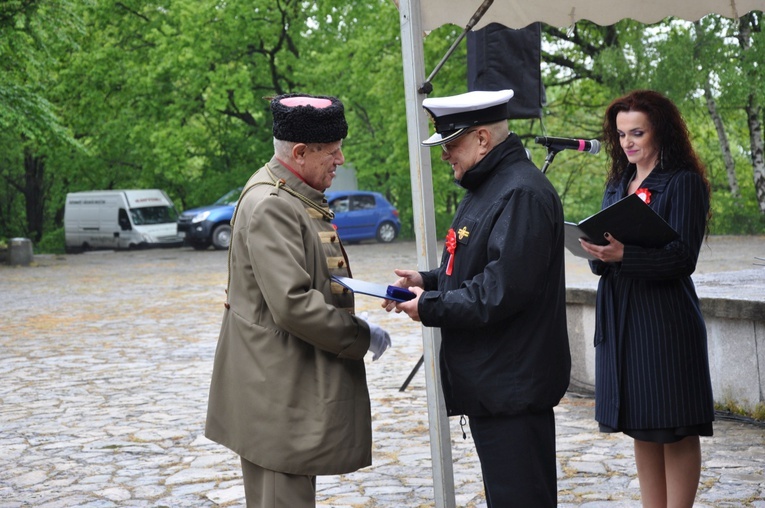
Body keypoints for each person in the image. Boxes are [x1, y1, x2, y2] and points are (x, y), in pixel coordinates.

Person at [384, 89, 571, 507]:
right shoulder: (489, 185)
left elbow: (499, 291)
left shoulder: (519, 192)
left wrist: (428, 307)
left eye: (451, 143)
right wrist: (427, 280)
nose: (446, 154)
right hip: (497, 384)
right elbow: (476, 266)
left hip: (513, 385)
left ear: (482, 139)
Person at [205, 93, 391, 508]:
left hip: (281, 384)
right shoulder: (272, 205)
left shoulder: (290, 193)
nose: (340, 159)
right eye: (333, 150)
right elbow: (292, 303)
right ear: (301, 152)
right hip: (274, 393)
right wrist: (360, 335)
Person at [578, 89, 714, 507]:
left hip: (664, 319)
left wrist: (624, 254)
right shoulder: (619, 184)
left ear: (661, 132)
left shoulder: (682, 183)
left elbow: (682, 257)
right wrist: (596, 252)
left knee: (674, 426)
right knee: (642, 424)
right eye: (621, 135)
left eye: (637, 132)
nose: (627, 143)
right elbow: (603, 259)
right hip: (621, 318)